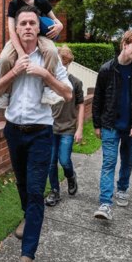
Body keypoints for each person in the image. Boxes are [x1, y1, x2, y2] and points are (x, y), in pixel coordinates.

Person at [0, 5, 72, 262]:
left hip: (40, 132)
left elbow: (68, 93)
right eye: (22, 23)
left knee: (36, 191)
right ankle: (28, 216)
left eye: (31, 23)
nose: (26, 27)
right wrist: (14, 72)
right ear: (17, 28)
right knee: (22, 184)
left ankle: (27, 256)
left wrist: (44, 74)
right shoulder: (8, 57)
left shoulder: (50, 57)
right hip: (13, 130)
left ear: (38, 28)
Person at [92, 30, 132, 220]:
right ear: (124, 44)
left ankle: (123, 188)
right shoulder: (106, 70)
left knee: (127, 161)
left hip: (131, 128)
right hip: (110, 125)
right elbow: (98, 99)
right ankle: (105, 203)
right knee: (109, 162)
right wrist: (97, 124)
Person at [0, 0, 64, 110]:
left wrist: (60, 25)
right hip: (18, 37)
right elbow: (11, 30)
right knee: (4, 59)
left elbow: (56, 21)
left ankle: (49, 90)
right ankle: (4, 95)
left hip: (40, 35)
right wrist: (22, 54)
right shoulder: (13, 4)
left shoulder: (41, 0)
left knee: (52, 51)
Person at [45, 45, 84, 207]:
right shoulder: (48, 81)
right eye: (60, 62)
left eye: (65, 63)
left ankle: (70, 176)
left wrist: (80, 128)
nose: (62, 65)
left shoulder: (75, 82)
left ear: (68, 63)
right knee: (51, 162)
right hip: (50, 128)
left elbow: (81, 105)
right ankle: (55, 191)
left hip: (68, 128)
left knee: (65, 160)